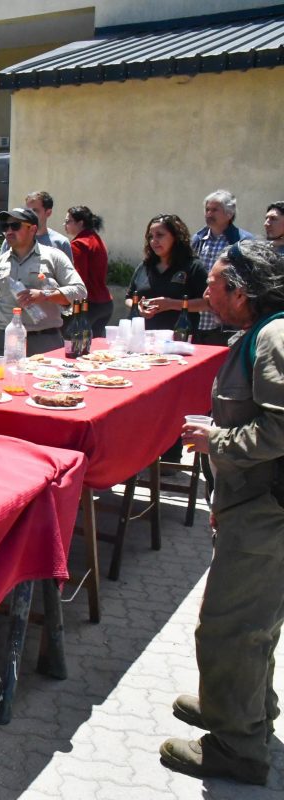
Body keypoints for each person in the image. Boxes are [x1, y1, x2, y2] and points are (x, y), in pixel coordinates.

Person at [166, 241, 284, 785]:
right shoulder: (262, 333)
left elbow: (279, 429)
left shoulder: (275, 337)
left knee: (231, 627)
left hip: (267, 512)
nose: (206, 291)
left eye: (215, 283)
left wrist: (218, 439)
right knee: (253, 622)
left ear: (242, 291)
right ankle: (244, 709)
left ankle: (237, 747)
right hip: (254, 504)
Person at [0, 208, 86, 362]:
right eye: (5, 227)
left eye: (15, 226)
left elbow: (80, 291)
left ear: (33, 229)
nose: (9, 231)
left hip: (45, 340)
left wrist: (44, 295)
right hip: (7, 341)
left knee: (46, 385)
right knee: (9, 386)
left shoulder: (54, 257)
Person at [191, 190, 256, 345]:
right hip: (198, 318)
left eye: (215, 210)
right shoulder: (198, 239)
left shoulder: (242, 242)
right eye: (207, 209)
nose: (209, 214)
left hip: (225, 322)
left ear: (229, 214)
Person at [126, 214, 208, 332]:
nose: (154, 241)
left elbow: (207, 303)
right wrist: (137, 307)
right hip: (142, 337)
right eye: (150, 236)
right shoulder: (145, 266)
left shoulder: (193, 266)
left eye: (160, 235)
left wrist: (172, 304)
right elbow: (129, 297)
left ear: (176, 237)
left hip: (178, 339)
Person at [63, 206, 114, 339]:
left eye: (68, 221)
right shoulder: (97, 240)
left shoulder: (78, 244)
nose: (65, 225)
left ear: (80, 223)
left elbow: (79, 279)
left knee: (72, 344)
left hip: (88, 305)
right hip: (105, 303)